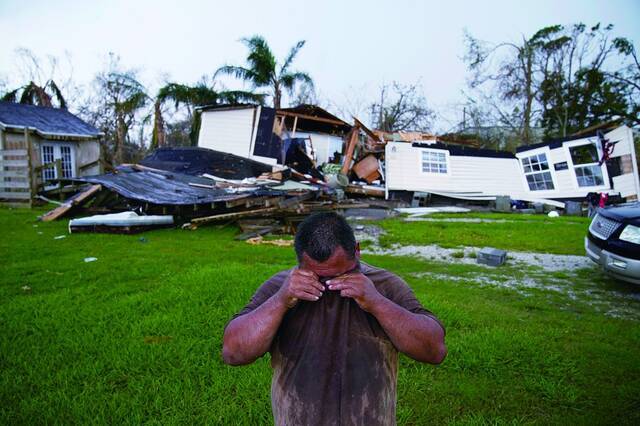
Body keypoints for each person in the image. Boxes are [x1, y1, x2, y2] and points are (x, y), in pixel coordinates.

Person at [223, 212, 447, 425]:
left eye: (341, 274)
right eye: (319, 276)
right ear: (300, 260)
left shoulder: (384, 284)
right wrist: (282, 300)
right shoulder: (282, 287)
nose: (331, 285)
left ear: (357, 251)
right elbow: (233, 352)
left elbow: (434, 350)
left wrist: (377, 302)